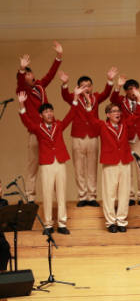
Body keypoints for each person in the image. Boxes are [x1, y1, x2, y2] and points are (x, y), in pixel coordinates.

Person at [17, 88, 79, 235]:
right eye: (46, 112)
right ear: (41, 115)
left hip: (60, 161)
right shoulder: (38, 128)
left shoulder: (59, 125)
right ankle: (48, 225)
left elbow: (71, 115)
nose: (49, 113)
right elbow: (26, 122)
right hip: (46, 163)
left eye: (51, 111)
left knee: (61, 194)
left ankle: (62, 224)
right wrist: (22, 105)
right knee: (47, 194)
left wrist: (75, 97)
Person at [59, 68, 116, 207]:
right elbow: (65, 95)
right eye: (83, 86)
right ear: (78, 87)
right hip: (77, 136)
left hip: (93, 136)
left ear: (92, 87)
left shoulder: (96, 97)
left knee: (92, 167)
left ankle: (91, 196)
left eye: (88, 85)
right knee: (79, 167)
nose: (86, 88)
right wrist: (65, 84)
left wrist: (109, 80)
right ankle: (82, 196)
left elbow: (106, 93)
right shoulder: (74, 97)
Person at [16, 42, 63, 203]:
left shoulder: (40, 85)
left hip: (50, 131)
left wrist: (58, 56)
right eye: (25, 74)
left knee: (53, 165)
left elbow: (50, 74)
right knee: (33, 165)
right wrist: (21, 69)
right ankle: (30, 197)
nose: (28, 76)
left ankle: (57, 197)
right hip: (36, 131)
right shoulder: (24, 91)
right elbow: (20, 82)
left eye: (29, 73)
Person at [84, 101, 135, 233]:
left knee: (124, 193)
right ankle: (111, 222)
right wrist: (89, 107)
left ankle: (122, 221)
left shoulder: (124, 125)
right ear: (107, 114)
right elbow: (91, 119)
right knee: (109, 194)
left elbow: (137, 117)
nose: (117, 113)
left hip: (124, 162)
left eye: (118, 111)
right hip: (110, 162)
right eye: (114, 111)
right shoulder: (102, 125)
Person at [111, 75, 140, 206]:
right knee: (127, 168)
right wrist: (118, 86)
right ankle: (129, 195)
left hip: (139, 136)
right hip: (125, 136)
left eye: (136, 88)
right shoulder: (121, 100)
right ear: (126, 91)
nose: (134, 91)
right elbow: (112, 98)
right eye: (131, 89)